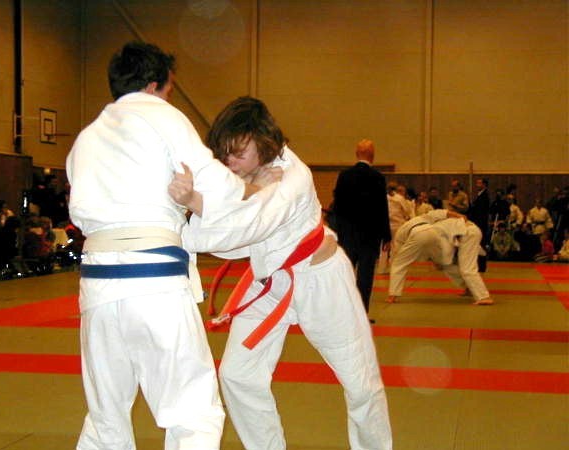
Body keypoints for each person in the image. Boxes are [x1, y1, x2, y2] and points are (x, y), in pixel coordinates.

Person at [66, 41, 260, 450]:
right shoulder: (162, 116)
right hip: (154, 281)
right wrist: (252, 190)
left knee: (105, 419)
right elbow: (217, 184)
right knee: (193, 413)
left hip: (96, 288)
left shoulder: (86, 137)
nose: (170, 96)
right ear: (155, 85)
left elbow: (82, 211)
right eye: (170, 88)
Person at [170, 97, 392, 450]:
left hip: (321, 281)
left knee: (361, 384)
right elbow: (229, 242)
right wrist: (243, 190)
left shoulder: (293, 176)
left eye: (238, 153)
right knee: (238, 375)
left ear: (263, 141)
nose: (230, 162)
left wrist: (196, 202)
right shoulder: (239, 174)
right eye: (224, 154)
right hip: (270, 282)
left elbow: (244, 228)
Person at [331, 139, 391, 312]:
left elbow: (337, 206)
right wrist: (386, 236)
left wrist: (335, 231)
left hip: (347, 234)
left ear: (356, 154)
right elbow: (382, 208)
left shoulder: (344, 176)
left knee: (346, 273)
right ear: (373, 156)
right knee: (365, 275)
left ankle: (344, 311)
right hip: (370, 236)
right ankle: (362, 313)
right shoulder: (378, 177)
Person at [386, 209, 494, 306]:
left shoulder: (400, 234)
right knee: (446, 264)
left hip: (466, 234)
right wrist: (460, 216)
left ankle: (483, 297)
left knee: (398, 263)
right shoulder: (425, 219)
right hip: (438, 234)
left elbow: (399, 257)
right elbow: (444, 213)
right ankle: (468, 288)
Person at [467, 177, 490, 272]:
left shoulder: (485, 196)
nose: (477, 185)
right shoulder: (480, 195)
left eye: (479, 183)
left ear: (484, 185)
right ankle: (479, 265)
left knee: (481, 244)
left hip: (481, 224)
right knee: (478, 244)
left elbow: (481, 212)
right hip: (478, 223)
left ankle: (482, 266)